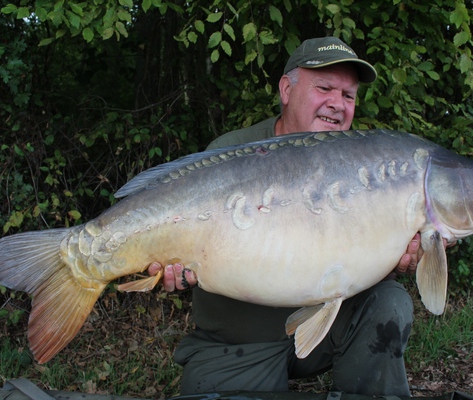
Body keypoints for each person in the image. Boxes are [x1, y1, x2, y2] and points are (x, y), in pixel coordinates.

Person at [149, 37, 422, 397]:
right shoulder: (231, 153)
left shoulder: (366, 166)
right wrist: (173, 268)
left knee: (389, 302)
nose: (337, 104)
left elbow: (359, 256)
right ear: (286, 90)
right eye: (324, 88)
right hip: (238, 341)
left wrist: (400, 254)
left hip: (326, 329)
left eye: (348, 96)